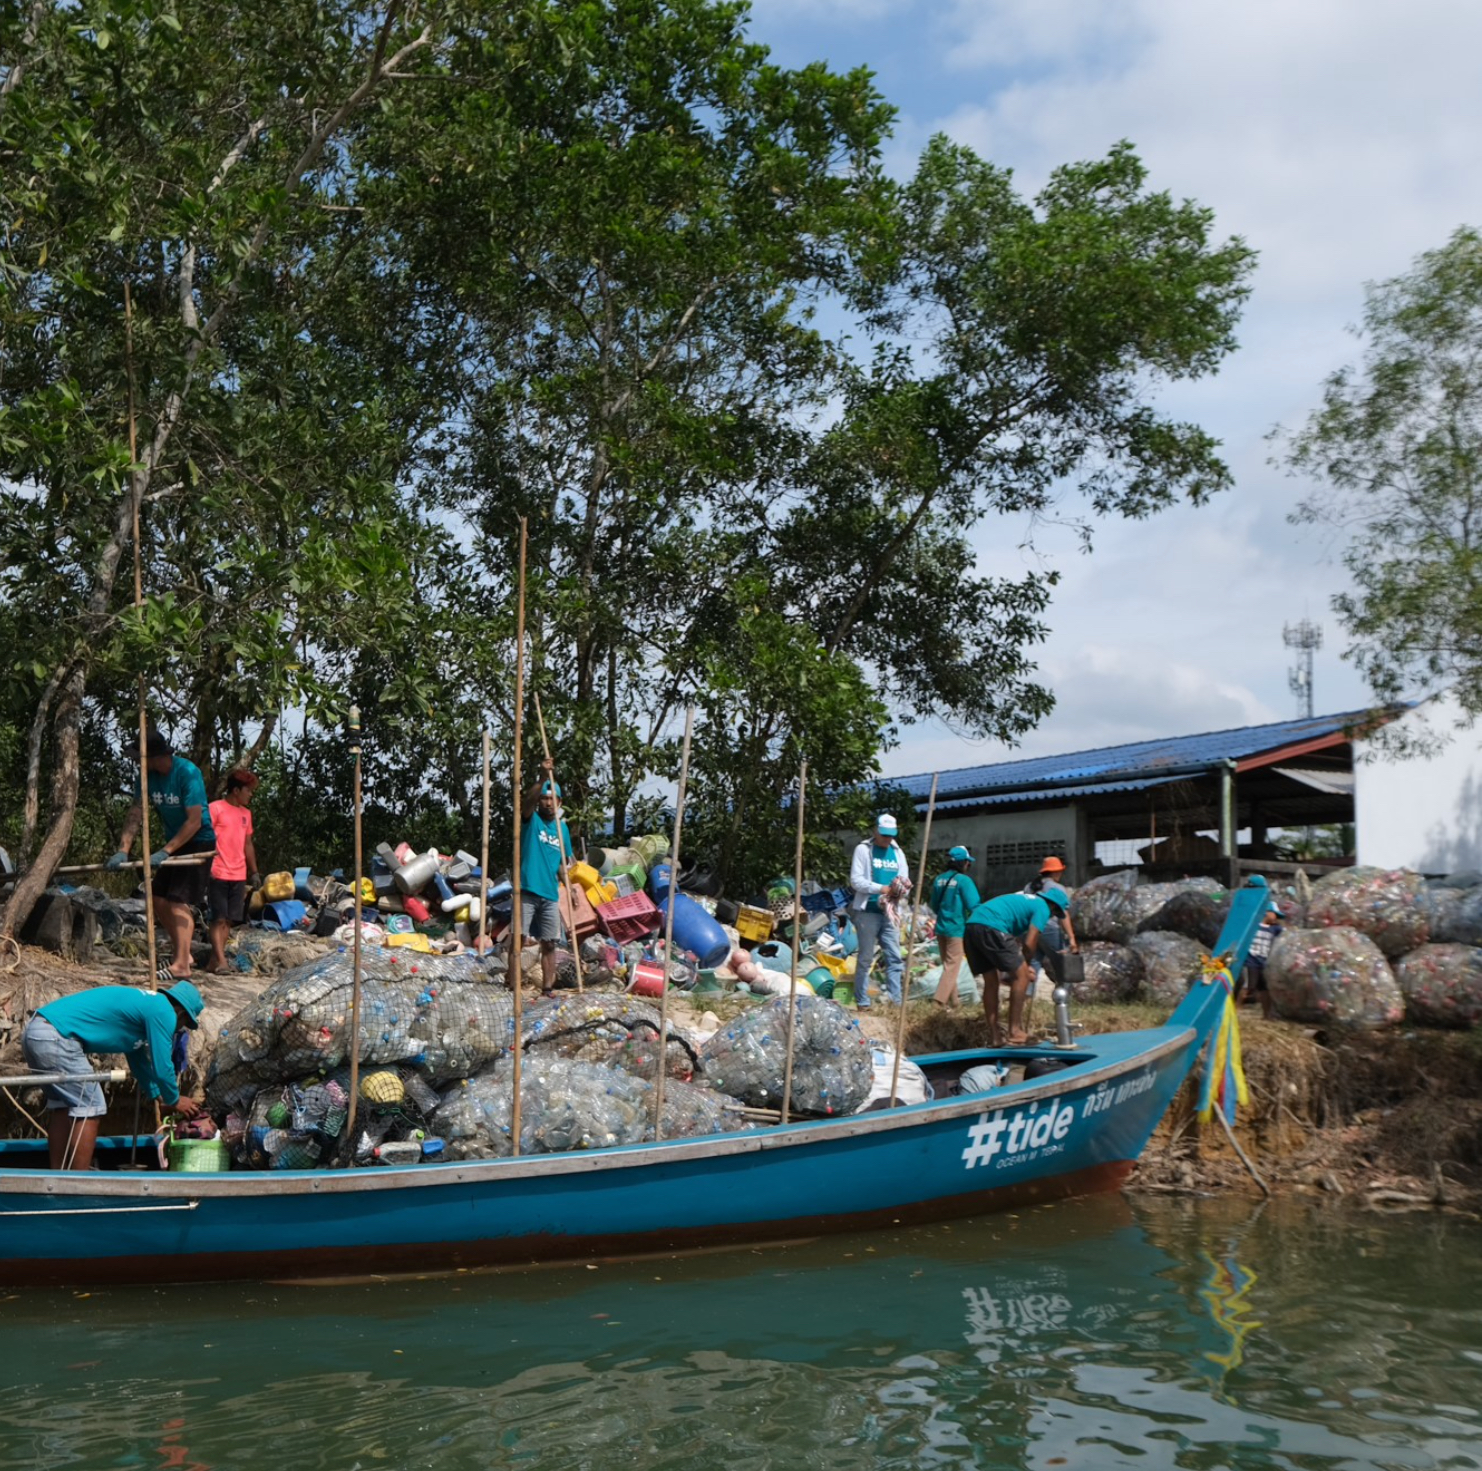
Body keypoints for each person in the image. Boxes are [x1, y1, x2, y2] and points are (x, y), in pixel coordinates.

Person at [20, 980, 205, 1170]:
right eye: (184, 1024)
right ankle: (77, 1182)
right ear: (181, 1013)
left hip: (36, 1031)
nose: (179, 1029)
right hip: (58, 1037)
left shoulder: (148, 1007)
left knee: (64, 1105)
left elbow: (138, 1061)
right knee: (91, 1104)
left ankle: (57, 1175)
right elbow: (162, 1064)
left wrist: (158, 1095)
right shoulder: (164, 1011)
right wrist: (174, 1099)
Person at [107, 731, 216, 980]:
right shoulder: (146, 778)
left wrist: (165, 851)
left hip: (199, 840)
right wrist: (123, 849)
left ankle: (181, 965)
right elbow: (136, 813)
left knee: (178, 900)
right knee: (156, 897)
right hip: (175, 843)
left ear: (154, 756)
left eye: (139, 757)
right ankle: (184, 954)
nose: (136, 762)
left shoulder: (187, 773)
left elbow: (194, 821)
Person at [963, 884, 1071, 1045]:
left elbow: (1015, 941)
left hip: (972, 926)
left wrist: (1019, 967)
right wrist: (1026, 967)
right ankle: (1015, 1031)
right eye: (1056, 913)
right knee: (1022, 977)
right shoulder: (1042, 907)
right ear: (1053, 906)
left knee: (991, 982)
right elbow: (1030, 943)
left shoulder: (1026, 901)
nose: (1052, 917)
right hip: (991, 926)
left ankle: (995, 1037)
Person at [518, 756, 574, 995]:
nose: (548, 803)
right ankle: (512, 984)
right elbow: (525, 804)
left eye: (553, 799)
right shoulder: (532, 820)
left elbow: (561, 863)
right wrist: (542, 777)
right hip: (527, 889)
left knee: (550, 942)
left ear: (559, 802)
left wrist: (568, 886)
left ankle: (548, 988)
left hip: (550, 893)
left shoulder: (562, 829)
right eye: (545, 798)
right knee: (519, 939)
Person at [848, 813, 912, 1009]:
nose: (887, 839)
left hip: (889, 912)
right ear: (875, 831)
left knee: (894, 957)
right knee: (866, 958)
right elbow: (856, 881)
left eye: (890, 835)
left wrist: (901, 890)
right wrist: (881, 889)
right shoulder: (863, 850)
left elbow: (905, 879)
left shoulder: (898, 852)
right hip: (868, 912)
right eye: (884, 834)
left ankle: (896, 1002)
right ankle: (863, 1002)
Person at [207, 768, 261, 975]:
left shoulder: (246, 814)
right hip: (218, 871)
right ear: (236, 790)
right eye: (248, 790)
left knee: (229, 919)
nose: (251, 794)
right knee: (218, 918)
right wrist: (206, 866)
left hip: (238, 873)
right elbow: (206, 838)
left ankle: (214, 960)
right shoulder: (216, 809)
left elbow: (248, 844)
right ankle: (222, 961)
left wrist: (254, 871)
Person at [929, 846, 981, 1007]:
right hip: (956, 928)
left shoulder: (939, 879)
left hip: (941, 927)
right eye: (967, 863)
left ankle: (955, 1002)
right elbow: (974, 905)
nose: (968, 866)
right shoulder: (964, 881)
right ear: (963, 863)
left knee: (947, 966)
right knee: (952, 967)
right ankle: (938, 1002)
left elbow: (934, 905)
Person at [1024, 855, 1078, 957]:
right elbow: (1063, 915)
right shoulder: (1057, 888)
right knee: (1058, 961)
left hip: (1029, 928)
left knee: (1034, 960)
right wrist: (1071, 938)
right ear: (1056, 872)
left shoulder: (1029, 886)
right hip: (1049, 929)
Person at [1242, 907, 1281, 1020]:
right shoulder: (1254, 926)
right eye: (1275, 915)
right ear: (1267, 912)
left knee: (1264, 988)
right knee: (1249, 986)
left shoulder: (1274, 929)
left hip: (1263, 961)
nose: (1276, 918)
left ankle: (1267, 1014)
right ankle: (1237, 1008)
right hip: (1250, 960)